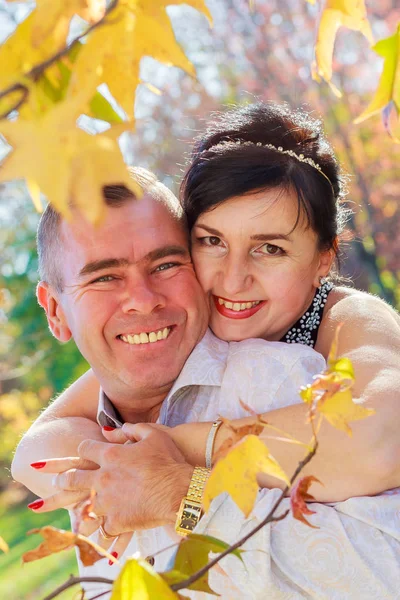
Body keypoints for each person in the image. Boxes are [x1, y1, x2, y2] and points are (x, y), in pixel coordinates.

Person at [12, 103, 400, 598]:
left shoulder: (332, 335)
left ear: (324, 258)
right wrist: (80, 453)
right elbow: (47, 438)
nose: (233, 278)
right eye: (211, 241)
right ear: (55, 312)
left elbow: (380, 441)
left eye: (270, 248)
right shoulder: (159, 363)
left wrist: (181, 474)